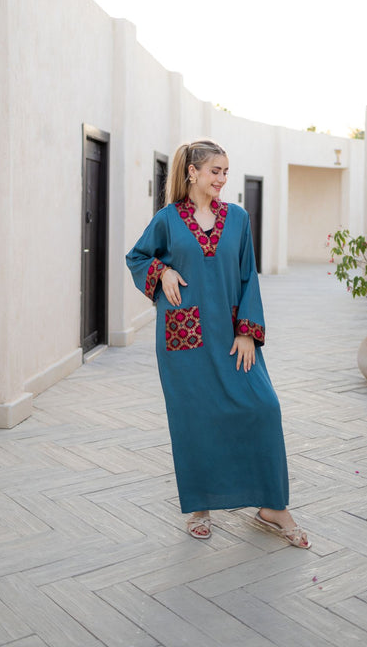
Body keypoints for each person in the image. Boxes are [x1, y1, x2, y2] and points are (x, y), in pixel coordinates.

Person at [125, 139, 310, 547]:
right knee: (195, 420)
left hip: (231, 337)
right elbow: (137, 257)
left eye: (226, 171)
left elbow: (248, 276)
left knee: (264, 406)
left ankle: (271, 505)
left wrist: (247, 331)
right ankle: (200, 505)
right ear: (193, 172)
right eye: (216, 171)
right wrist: (163, 273)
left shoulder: (239, 219)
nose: (223, 179)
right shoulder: (168, 220)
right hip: (184, 341)